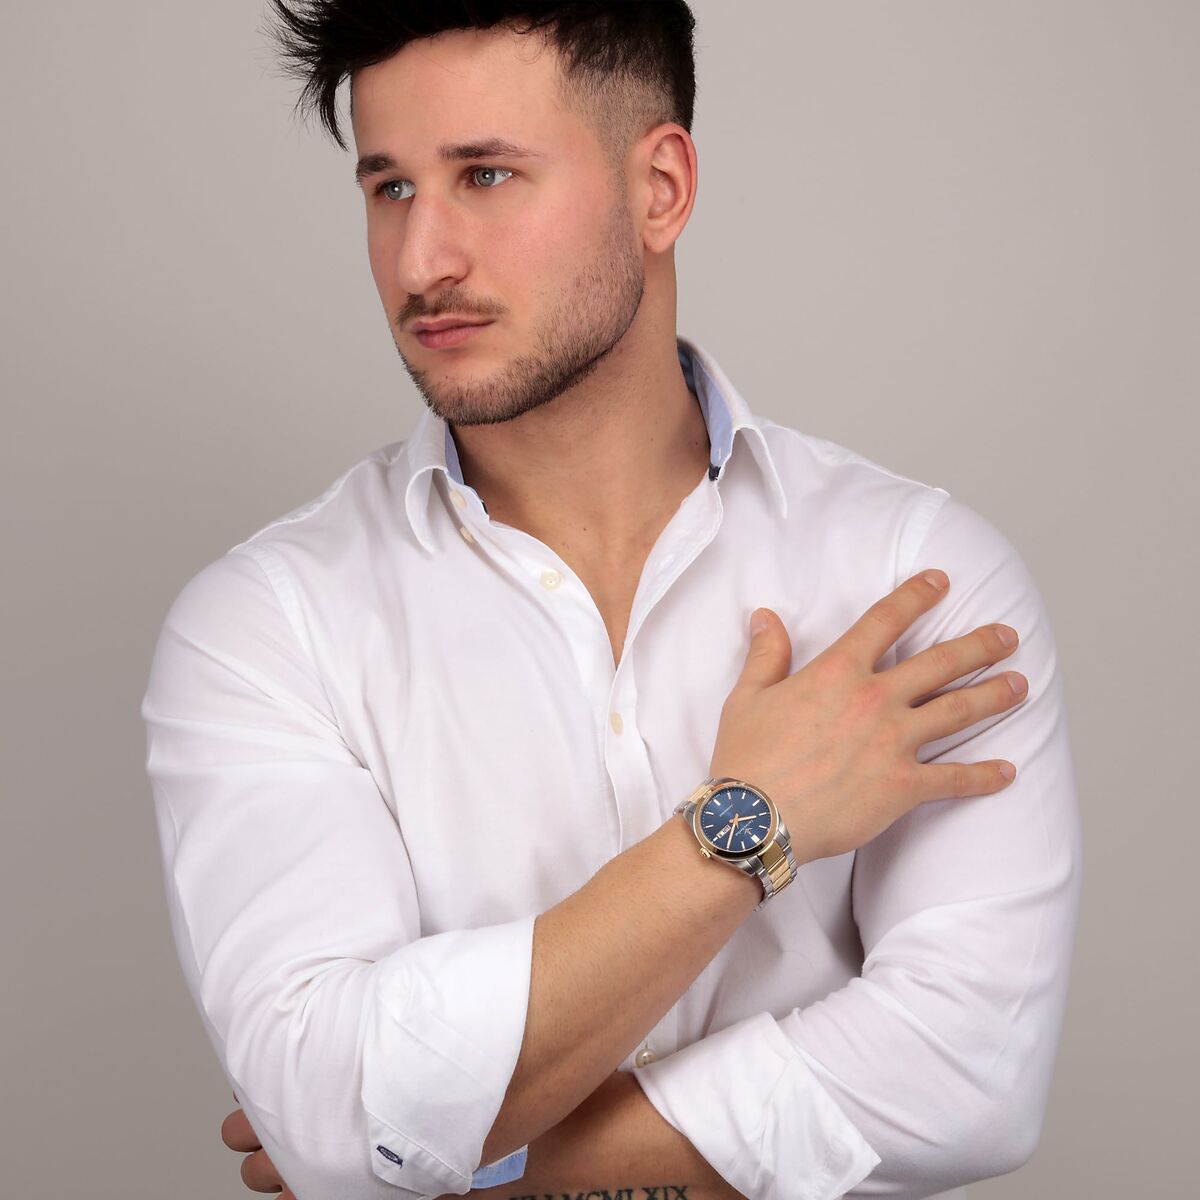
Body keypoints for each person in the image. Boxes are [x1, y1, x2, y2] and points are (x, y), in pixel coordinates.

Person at [140, 4, 1082, 1199]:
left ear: (660, 189)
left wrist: (449, 1164)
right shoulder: (270, 625)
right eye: (390, 188)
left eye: (485, 175)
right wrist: (749, 825)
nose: (422, 261)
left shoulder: (913, 576)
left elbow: (972, 1075)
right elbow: (331, 1102)